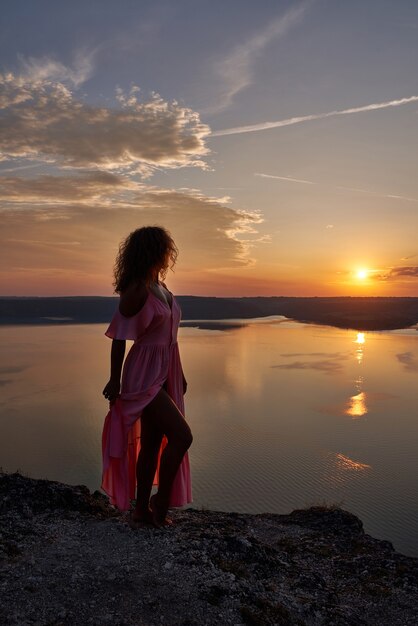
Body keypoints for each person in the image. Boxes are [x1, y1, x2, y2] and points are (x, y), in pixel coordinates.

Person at [101, 226, 193, 527]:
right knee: (182, 436)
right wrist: (115, 380)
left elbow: (170, 338)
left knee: (153, 443)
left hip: (166, 370)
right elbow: (119, 337)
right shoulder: (137, 289)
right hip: (143, 373)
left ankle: (141, 512)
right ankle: (160, 504)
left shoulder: (161, 287)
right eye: (166, 248)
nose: (170, 254)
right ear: (154, 250)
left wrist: (178, 374)